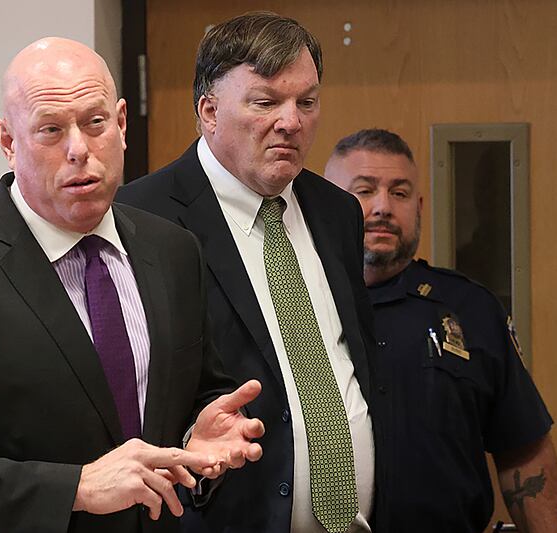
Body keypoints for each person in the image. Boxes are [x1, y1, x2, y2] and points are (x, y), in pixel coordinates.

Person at [0, 37, 266, 533]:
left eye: (95, 123)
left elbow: (195, 393)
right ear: (8, 142)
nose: (79, 150)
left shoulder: (173, 250)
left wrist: (199, 435)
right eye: (50, 130)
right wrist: (76, 489)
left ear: (122, 123)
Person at [117, 12, 377, 533]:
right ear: (209, 112)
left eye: (306, 102)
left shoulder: (337, 211)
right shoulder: (139, 219)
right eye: (265, 103)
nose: (292, 122)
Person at [324, 128, 557, 533]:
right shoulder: (293, 306)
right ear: (327, 207)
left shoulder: (471, 309)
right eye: (364, 191)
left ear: (419, 207)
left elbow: (523, 449)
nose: (383, 206)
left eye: (399, 193)